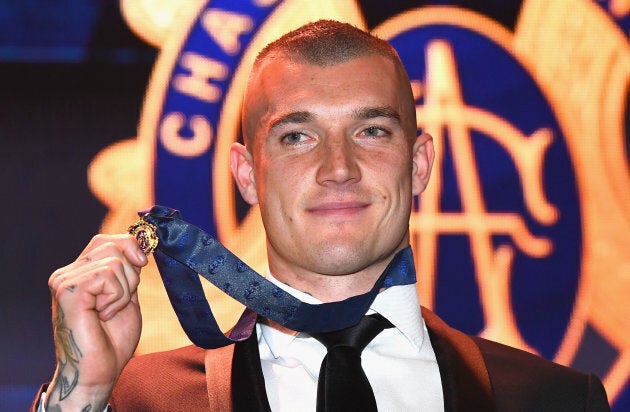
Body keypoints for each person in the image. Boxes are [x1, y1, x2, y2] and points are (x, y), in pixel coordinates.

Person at [34, 20, 610, 411]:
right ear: (247, 174)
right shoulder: (138, 401)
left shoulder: (556, 400)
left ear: (420, 164)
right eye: (296, 136)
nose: (339, 167)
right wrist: (79, 393)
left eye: (371, 130)